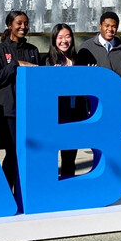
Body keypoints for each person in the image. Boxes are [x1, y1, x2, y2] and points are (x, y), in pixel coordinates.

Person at [0, 10, 40, 196]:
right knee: (12, 154)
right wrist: (16, 64)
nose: (23, 27)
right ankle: (3, 194)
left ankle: (23, 194)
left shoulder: (33, 50)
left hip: (28, 110)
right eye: (19, 23)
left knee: (27, 154)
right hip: (8, 111)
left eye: (26, 23)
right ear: (10, 25)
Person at [44, 23, 88, 178]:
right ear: (54, 40)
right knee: (51, 152)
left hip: (75, 113)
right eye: (60, 37)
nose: (64, 41)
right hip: (56, 115)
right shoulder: (48, 61)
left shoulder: (79, 59)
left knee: (70, 154)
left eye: (68, 36)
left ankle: (68, 184)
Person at [76, 11, 121, 85]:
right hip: (94, 94)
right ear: (100, 26)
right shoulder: (86, 48)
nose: (110, 29)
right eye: (107, 25)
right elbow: (80, 77)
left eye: (114, 26)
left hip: (117, 94)